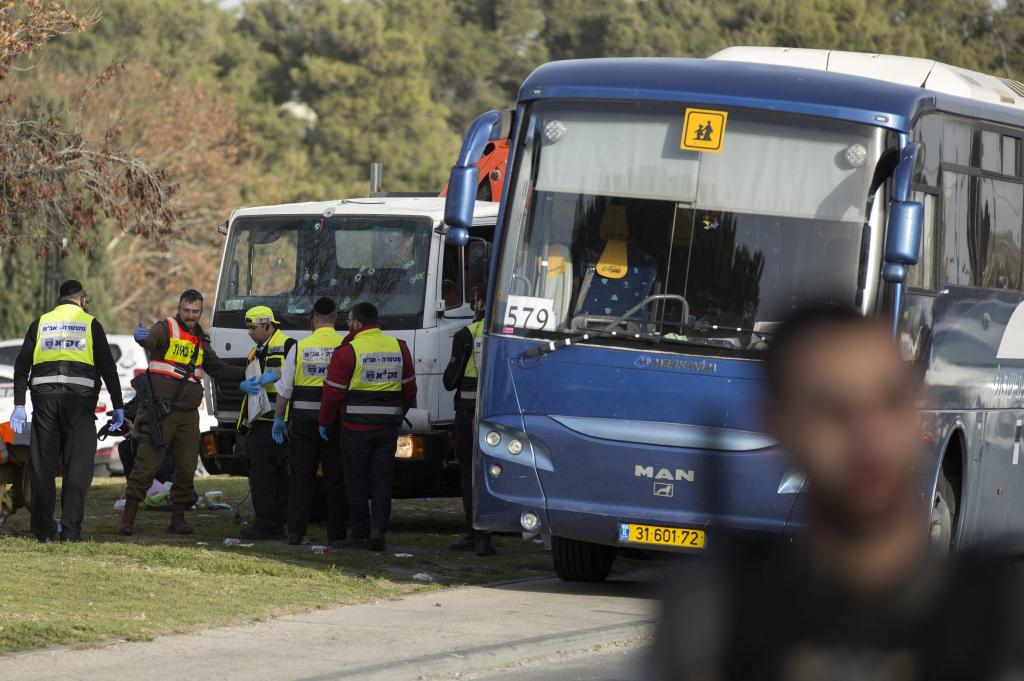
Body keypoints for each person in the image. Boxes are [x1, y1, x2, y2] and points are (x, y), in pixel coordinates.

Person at [653, 304, 1024, 681]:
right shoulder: (717, 617)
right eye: (833, 411)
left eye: (890, 402)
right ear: (776, 425)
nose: (870, 440)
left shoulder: (999, 616)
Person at [118, 289, 245, 535]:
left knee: (186, 469)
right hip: (161, 412)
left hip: (188, 415)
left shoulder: (201, 341)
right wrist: (141, 338)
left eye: (195, 311)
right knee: (146, 466)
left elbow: (217, 368)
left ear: (200, 312)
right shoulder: (165, 328)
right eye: (186, 311)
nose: (190, 315)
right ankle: (128, 519)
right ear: (179, 308)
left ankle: (177, 519)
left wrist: (247, 372)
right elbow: (150, 339)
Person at [8, 280, 124, 542]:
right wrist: (118, 406)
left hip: (44, 402)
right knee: (78, 468)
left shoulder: (40, 323)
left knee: (42, 469)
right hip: (79, 406)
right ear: (81, 299)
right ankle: (70, 531)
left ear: (59, 300)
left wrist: (18, 404)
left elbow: (21, 366)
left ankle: (43, 530)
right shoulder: (90, 324)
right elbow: (108, 368)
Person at [319, 302, 416, 551]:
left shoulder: (347, 351)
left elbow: (333, 394)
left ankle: (360, 534)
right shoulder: (399, 347)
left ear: (357, 323)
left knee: (357, 482)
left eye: (349, 320)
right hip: (387, 428)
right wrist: (396, 416)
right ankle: (378, 532)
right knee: (382, 481)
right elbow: (409, 389)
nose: (347, 324)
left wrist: (324, 421)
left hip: (355, 429)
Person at [272, 297, 347, 546]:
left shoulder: (300, 347)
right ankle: (337, 536)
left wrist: (278, 419)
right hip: (335, 424)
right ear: (335, 318)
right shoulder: (347, 344)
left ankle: (296, 533)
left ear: (314, 318)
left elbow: (285, 390)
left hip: (303, 423)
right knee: (335, 479)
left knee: (301, 479)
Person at [442, 286, 494, 556]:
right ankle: (490, 532)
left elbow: (450, 381)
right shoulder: (505, 333)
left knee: (468, 471)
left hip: (467, 412)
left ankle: (475, 533)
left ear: (480, 303)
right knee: (491, 470)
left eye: (474, 300)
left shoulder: (468, 334)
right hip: (498, 414)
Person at [237, 305, 296, 540]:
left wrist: (272, 376)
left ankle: (267, 524)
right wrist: (245, 383)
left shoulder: (287, 345)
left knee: (263, 477)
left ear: (267, 325)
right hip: (262, 420)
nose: (249, 332)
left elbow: (287, 374)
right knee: (277, 476)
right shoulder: (256, 351)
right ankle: (277, 522)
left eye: (253, 328)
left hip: (275, 422)